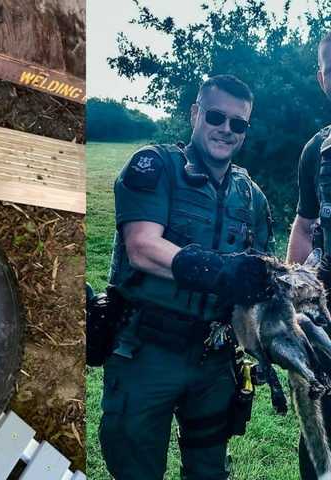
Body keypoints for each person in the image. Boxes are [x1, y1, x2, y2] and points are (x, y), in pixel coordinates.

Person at [100, 74, 275, 480]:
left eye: (239, 124)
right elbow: (142, 246)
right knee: (136, 470)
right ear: (196, 113)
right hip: (147, 352)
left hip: (214, 361)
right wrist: (220, 270)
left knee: (208, 471)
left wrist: (266, 341)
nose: (226, 129)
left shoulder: (252, 197)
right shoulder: (156, 165)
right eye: (216, 116)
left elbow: (258, 283)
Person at [286, 31, 331, 480]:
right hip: (327, 315)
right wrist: (294, 307)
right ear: (322, 79)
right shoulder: (317, 150)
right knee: (320, 420)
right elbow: (304, 224)